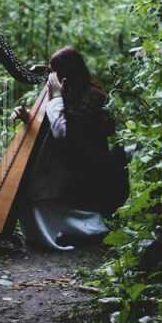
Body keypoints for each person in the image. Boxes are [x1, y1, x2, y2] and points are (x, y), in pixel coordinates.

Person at [11, 46, 121, 251]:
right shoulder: (64, 93)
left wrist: (56, 97)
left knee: (33, 184)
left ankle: (68, 231)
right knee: (29, 182)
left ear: (69, 74)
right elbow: (53, 126)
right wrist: (27, 117)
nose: (50, 78)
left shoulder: (92, 96)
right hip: (67, 161)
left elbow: (62, 132)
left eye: (54, 73)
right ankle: (49, 232)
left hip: (84, 166)